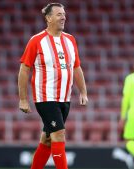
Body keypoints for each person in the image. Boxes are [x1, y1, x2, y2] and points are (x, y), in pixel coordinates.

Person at [18, 3, 88, 169]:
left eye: (64, 14)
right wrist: (23, 99)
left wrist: (83, 92)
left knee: (47, 139)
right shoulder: (36, 41)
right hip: (46, 97)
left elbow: (76, 67)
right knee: (59, 134)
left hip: (65, 98)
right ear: (48, 18)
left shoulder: (70, 40)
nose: (63, 17)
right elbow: (24, 69)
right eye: (58, 14)